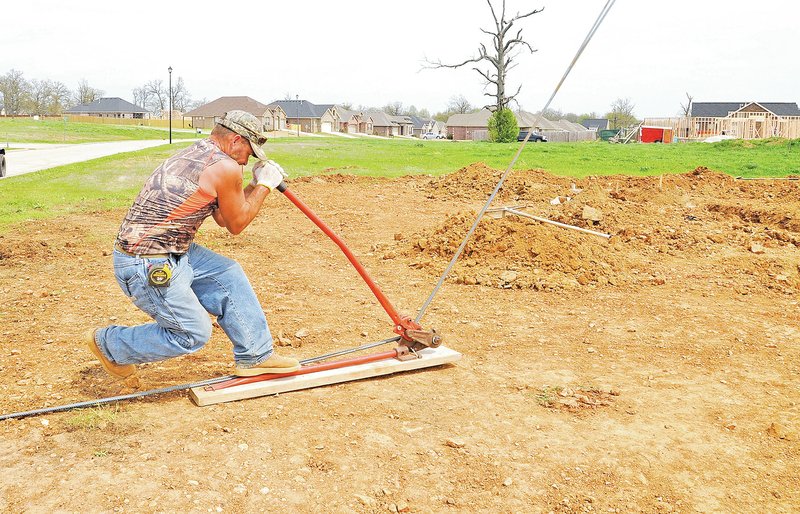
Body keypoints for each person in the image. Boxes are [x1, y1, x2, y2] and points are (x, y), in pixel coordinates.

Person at [86, 110, 300, 386]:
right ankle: (110, 344)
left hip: (166, 250)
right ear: (235, 141)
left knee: (227, 274)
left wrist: (253, 183)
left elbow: (224, 217)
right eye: (249, 151)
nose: (249, 159)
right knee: (192, 333)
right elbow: (237, 225)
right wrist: (265, 186)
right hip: (148, 262)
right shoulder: (225, 167)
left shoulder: (200, 154)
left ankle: (255, 356)